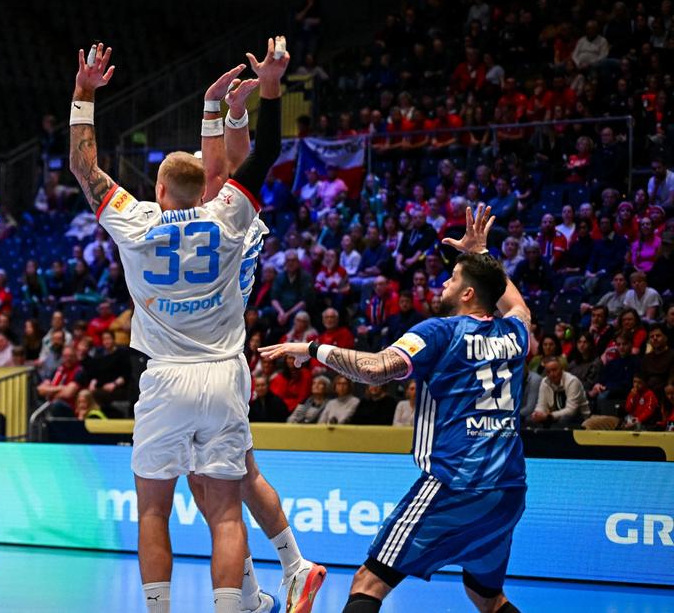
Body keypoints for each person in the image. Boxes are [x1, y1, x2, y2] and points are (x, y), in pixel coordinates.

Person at [69, 40, 319, 613]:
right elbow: (265, 152)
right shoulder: (231, 217)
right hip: (225, 373)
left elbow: (85, 168)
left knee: (155, 509)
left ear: (158, 192)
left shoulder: (135, 222)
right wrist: (270, 88)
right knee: (226, 511)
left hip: (164, 378)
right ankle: (248, 599)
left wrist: (85, 92)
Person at [262, 204, 530, 613]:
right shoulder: (514, 334)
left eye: (453, 277)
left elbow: (375, 369)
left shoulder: (440, 331)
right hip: (509, 489)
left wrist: (312, 347)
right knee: (487, 595)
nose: (444, 282)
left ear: (468, 294)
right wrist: (483, 256)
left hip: (456, 481)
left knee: (369, 580)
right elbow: (519, 308)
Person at [529, 357, 590, 429]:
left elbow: (571, 410)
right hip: (554, 416)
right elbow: (541, 404)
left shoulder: (572, 381)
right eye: (548, 372)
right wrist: (537, 414)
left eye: (554, 370)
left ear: (561, 369)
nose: (552, 374)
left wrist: (549, 416)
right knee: (531, 420)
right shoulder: (545, 382)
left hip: (579, 417)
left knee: (564, 420)